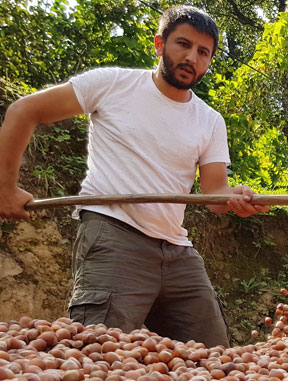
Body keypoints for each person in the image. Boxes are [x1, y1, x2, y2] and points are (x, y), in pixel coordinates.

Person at [0, 5, 269, 347]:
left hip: (177, 249)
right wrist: (4, 188)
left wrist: (236, 198)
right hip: (113, 232)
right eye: (182, 45)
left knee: (215, 356)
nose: (192, 58)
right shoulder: (113, 84)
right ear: (159, 44)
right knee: (97, 351)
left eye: (203, 52)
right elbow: (24, 111)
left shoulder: (210, 120)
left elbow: (215, 194)